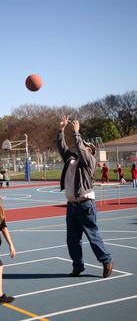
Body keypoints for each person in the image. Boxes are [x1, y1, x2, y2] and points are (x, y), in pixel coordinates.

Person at [56, 116, 113, 278]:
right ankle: (78, 266)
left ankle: (106, 260)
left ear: (90, 151)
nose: (82, 147)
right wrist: (61, 129)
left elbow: (80, 147)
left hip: (85, 204)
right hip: (72, 205)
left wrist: (76, 133)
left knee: (93, 236)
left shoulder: (90, 161)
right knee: (72, 240)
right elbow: (62, 147)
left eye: (86, 146)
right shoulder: (71, 160)